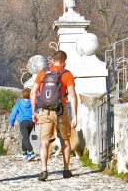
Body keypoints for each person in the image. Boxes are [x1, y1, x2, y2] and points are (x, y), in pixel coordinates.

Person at [30, 50, 78, 181]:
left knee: (44, 142)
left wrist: (34, 111)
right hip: (61, 111)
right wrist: (75, 116)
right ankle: (66, 170)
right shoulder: (67, 74)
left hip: (44, 111)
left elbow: (33, 92)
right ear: (65, 61)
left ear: (53, 60)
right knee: (65, 141)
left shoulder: (43, 72)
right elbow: (73, 96)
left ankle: (44, 171)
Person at [10, 88, 38, 161]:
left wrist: (12, 122)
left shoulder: (19, 103)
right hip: (31, 122)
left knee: (25, 137)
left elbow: (13, 113)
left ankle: (31, 152)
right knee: (26, 136)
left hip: (23, 122)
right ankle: (24, 152)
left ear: (22, 95)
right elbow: (37, 110)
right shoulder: (33, 103)